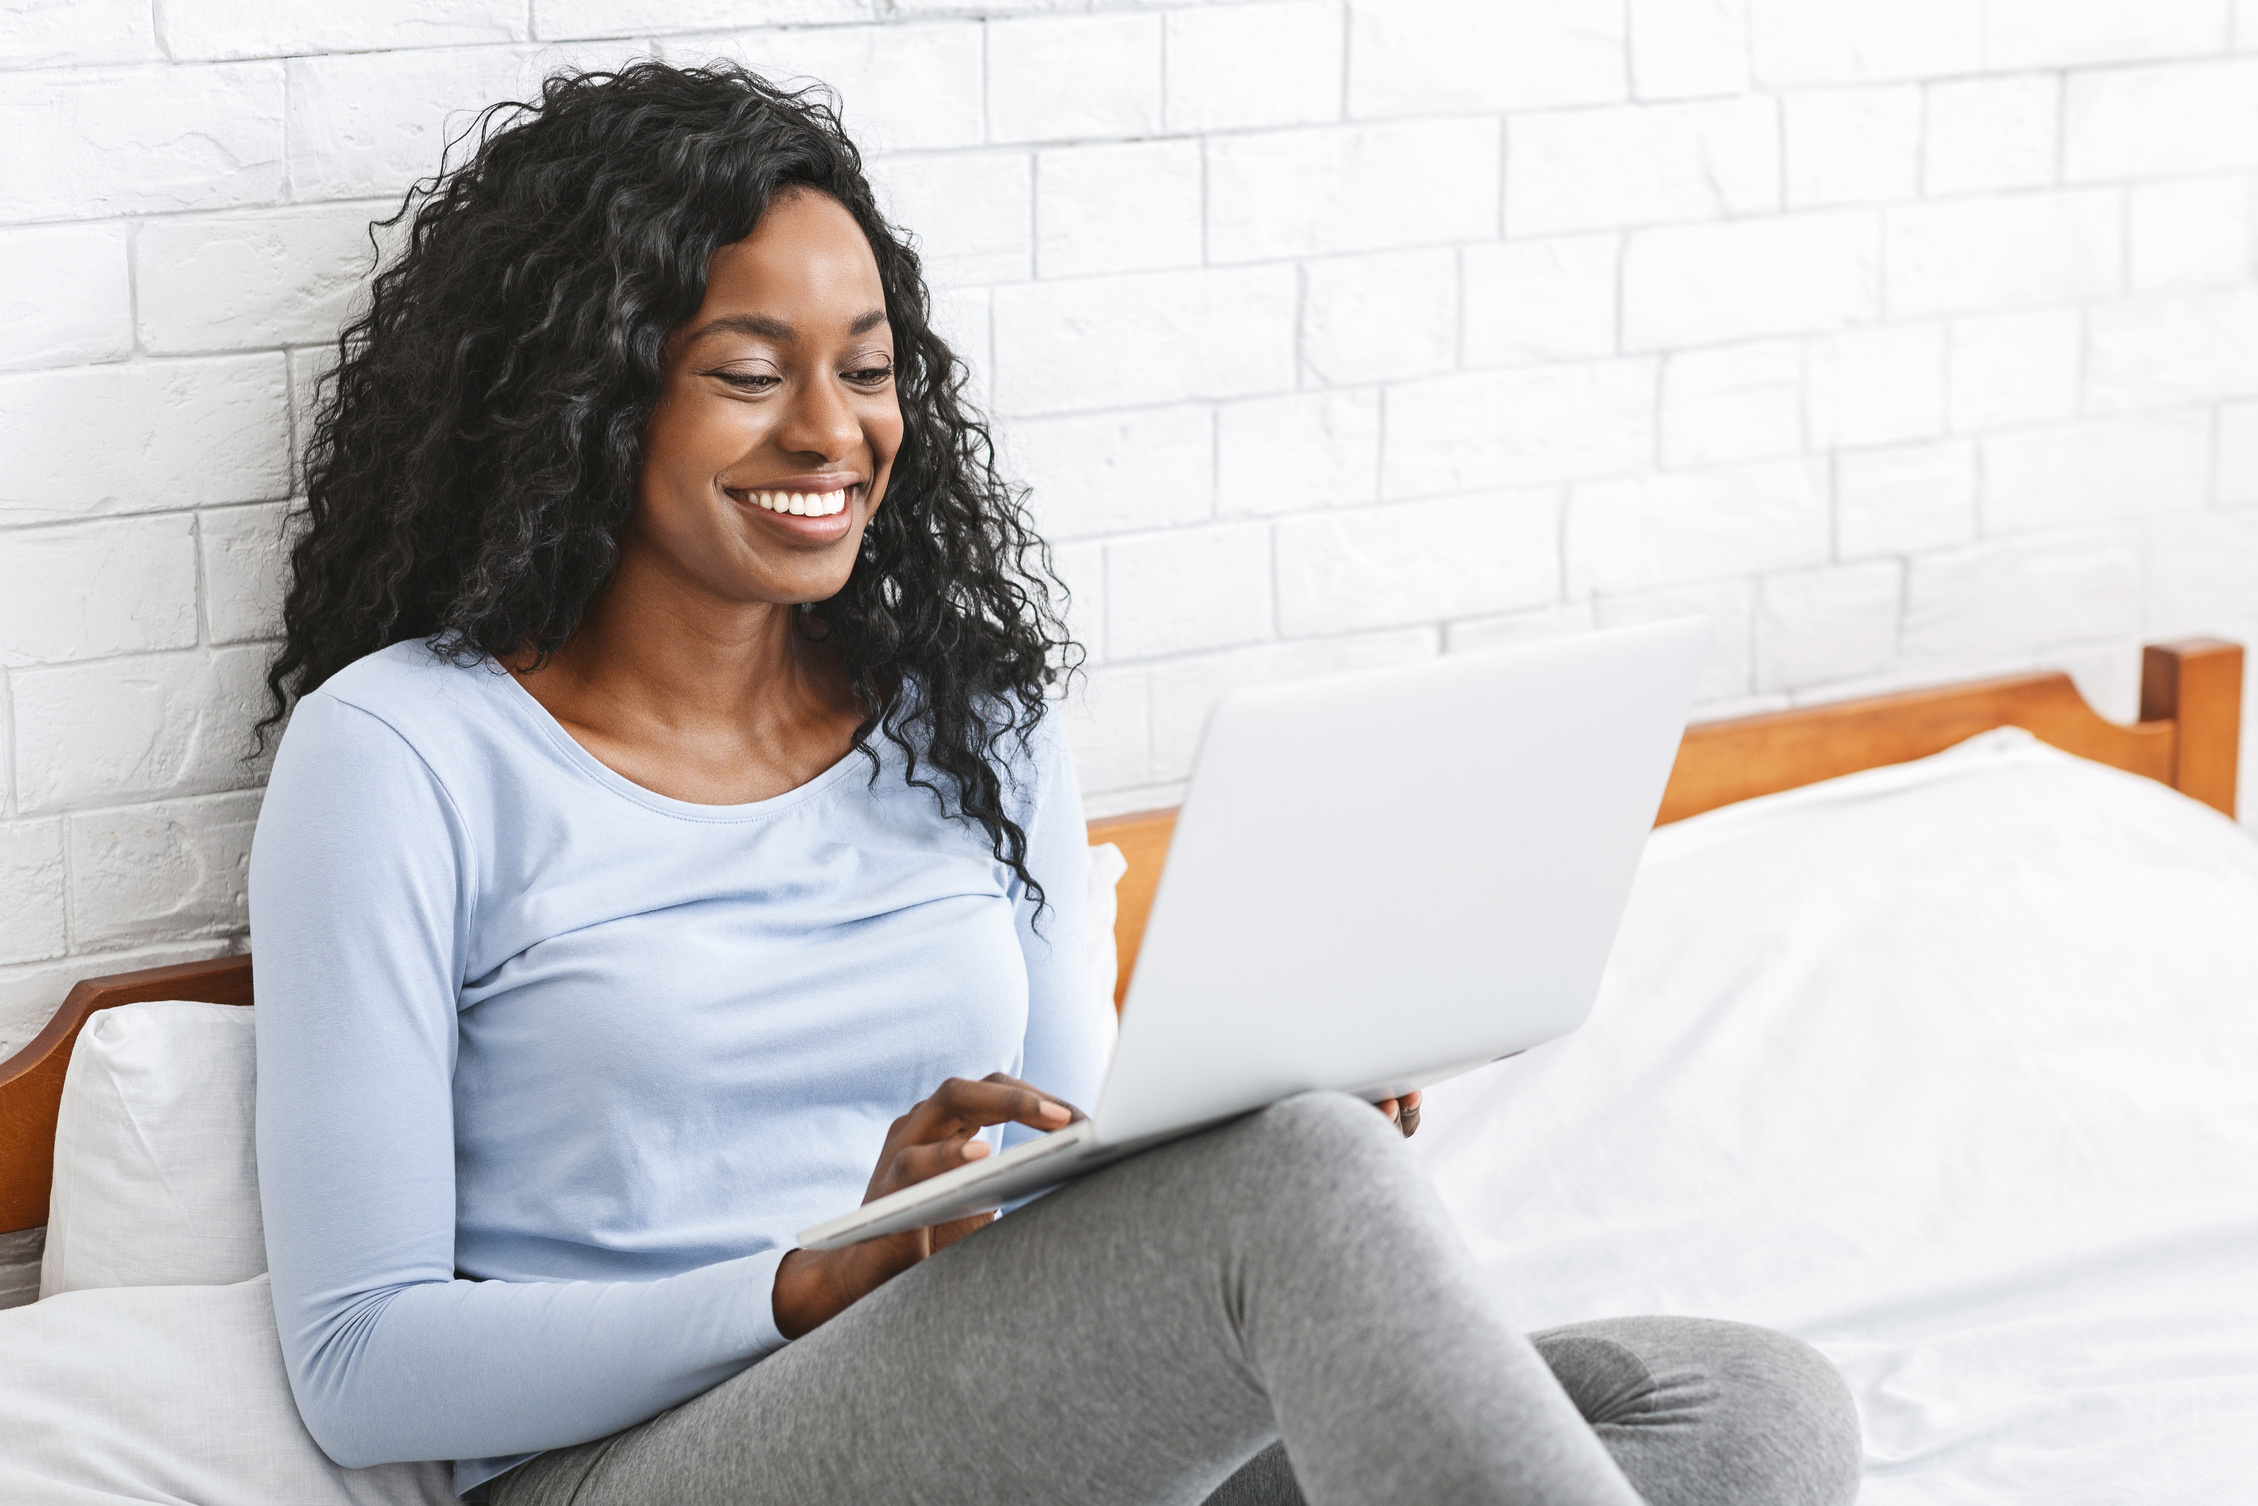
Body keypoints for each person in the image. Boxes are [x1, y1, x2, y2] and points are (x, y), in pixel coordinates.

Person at [247, 62, 1861, 1506]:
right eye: (751, 371)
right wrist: (808, 1277)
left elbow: (1058, 1151)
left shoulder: (971, 714)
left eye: (866, 370)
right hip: (646, 1456)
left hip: (988, 1421)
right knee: (1294, 1192)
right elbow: (363, 1359)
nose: (833, 434)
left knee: (1742, 1407)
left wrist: (1252, 1123)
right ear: (591, 404)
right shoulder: (401, 754)